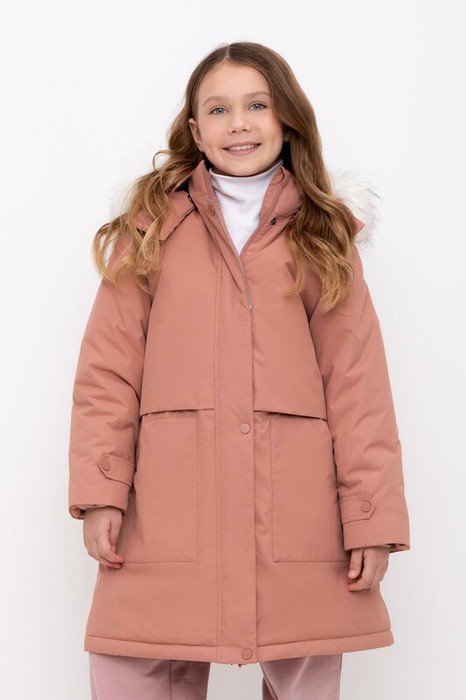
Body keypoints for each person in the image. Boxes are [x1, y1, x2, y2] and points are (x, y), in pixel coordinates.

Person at [68, 41, 411, 700]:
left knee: (303, 666)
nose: (239, 123)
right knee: (140, 660)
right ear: (196, 130)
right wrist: (102, 489)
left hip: (299, 512)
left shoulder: (321, 237)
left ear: (287, 120)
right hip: (167, 510)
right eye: (219, 109)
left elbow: (358, 385)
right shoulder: (150, 231)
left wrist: (371, 518)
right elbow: (108, 371)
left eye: (257, 105)